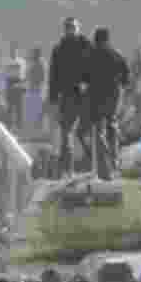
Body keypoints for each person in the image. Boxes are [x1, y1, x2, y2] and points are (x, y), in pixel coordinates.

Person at [83, 27, 130, 180]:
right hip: (113, 96)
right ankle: (115, 160)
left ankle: (104, 167)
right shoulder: (116, 54)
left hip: (96, 96)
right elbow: (126, 78)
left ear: (96, 39)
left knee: (99, 130)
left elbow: (84, 78)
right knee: (112, 125)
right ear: (107, 39)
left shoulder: (89, 55)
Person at [48, 17, 92, 177]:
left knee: (88, 131)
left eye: (73, 27)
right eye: (68, 27)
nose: (71, 30)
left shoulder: (87, 45)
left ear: (78, 28)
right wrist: (52, 98)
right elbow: (53, 75)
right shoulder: (59, 49)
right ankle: (69, 169)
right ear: (65, 29)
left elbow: (95, 68)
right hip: (69, 96)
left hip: (85, 95)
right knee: (67, 133)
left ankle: (94, 164)